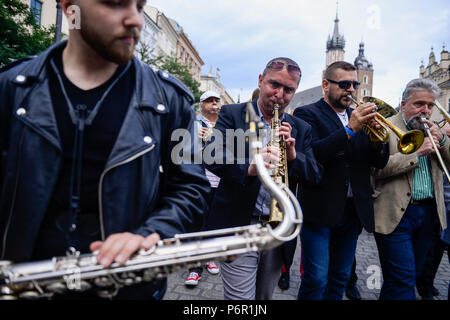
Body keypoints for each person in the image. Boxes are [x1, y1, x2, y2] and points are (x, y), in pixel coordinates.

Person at [0, 0, 210, 300]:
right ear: (70, 8)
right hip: (22, 285)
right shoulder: (10, 87)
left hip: (127, 288)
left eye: (139, 6)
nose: (135, 20)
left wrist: (152, 232)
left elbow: (192, 188)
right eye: (116, 3)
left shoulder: (172, 101)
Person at [205, 57, 322, 300]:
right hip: (238, 223)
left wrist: (292, 156)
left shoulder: (300, 127)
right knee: (240, 300)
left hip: (277, 228)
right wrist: (250, 168)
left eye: (288, 90)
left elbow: (314, 174)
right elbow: (211, 155)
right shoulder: (233, 113)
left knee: (263, 298)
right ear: (261, 80)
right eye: (274, 85)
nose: (280, 95)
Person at [294, 61, 390, 300]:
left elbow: (377, 162)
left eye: (355, 84)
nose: (351, 89)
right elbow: (313, 154)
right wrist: (350, 129)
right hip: (320, 207)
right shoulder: (307, 113)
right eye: (344, 84)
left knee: (340, 277)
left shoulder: (358, 118)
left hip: (351, 211)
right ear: (326, 85)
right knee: (316, 278)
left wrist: (378, 141)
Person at [371, 78, 450, 300]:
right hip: (396, 213)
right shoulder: (385, 125)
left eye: (430, 105)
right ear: (404, 103)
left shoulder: (434, 128)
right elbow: (377, 170)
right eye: (419, 104)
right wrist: (416, 154)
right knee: (402, 278)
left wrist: (442, 141)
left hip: (429, 213)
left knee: (407, 277)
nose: (425, 111)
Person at [185, 91, 222, 286]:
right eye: (209, 101)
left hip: (220, 181)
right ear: (201, 106)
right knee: (197, 223)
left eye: (216, 100)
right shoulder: (193, 124)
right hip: (200, 180)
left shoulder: (226, 124)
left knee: (214, 222)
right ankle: (194, 268)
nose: (214, 104)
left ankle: (210, 256)